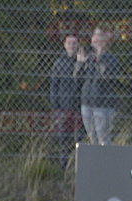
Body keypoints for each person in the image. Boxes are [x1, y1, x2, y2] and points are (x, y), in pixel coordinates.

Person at [74, 28, 120, 146]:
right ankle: (96, 164)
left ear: (104, 41)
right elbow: (77, 79)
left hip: (103, 105)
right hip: (86, 104)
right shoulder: (88, 57)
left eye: (99, 37)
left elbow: (107, 77)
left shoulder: (111, 59)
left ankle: (107, 163)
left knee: (103, 140)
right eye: (94, 37)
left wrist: (100, 58)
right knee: (92, 139)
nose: (95, 40)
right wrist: (80, 63)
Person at [49, 34, 81, 168]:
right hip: (63, 108)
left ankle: (79, 165)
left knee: (79, 138)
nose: (72, 46)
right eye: (69, 43)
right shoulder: (58, 63)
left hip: (80, 107)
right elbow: (53, 85)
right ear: (64, 45)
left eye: (74, 43)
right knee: (64, 138)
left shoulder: (82, 61)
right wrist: (55, 105)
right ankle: (64, 166)